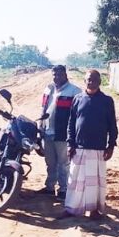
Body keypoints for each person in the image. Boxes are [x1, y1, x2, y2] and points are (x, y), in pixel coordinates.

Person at [61, 69, 118, 220]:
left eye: (94, 80)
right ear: (84, 81)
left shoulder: (107, 101)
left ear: (100, 82)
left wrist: (111, 145)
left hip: (98, 148)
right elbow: (71, 123)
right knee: (74, 180)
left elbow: (112, 125)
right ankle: (71, 209)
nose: (91, 82)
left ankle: (93, 210)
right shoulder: (78, 99)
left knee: (95, 183)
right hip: (78, 147)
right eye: (88, 80)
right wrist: (69, 143)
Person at [38, 65, 81, 200]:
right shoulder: (48, 88)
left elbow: (77, 115)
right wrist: (40, 126)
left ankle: (63, 190)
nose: (57, 77)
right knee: (50, 162)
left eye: (60, 75)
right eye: (54, 75)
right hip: (47, 132)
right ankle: (50, 187)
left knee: (63, 163)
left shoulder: (74, 91)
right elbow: (43, 108)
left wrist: (73, 135)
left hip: (62, 133)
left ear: (65, 75)